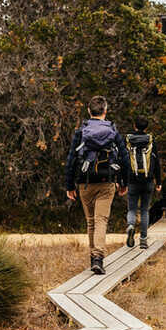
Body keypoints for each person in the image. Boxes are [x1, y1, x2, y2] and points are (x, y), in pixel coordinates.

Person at [65, 96, 129, 274]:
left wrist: (69, 185)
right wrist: (124, 182)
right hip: (106, 181)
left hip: (85, 183)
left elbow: (71, 160)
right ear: (105, 111)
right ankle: (98, 258)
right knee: (101, 220)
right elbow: (124, 158)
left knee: (91, 221)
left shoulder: (81, 132)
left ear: (89, 110)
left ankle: (94, 257)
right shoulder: (113, 131)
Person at [124, 116, 162, 248]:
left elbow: (124, 162)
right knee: (145, 210)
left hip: (132, 180)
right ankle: (144, 240)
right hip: (148, 180)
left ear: (134, 126)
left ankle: (130, 225)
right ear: (146, 127)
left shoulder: (128, 141)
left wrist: (122, 182)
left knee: (132, 209)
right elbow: (156, 162)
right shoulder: (151, 140)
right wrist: (159, 182)